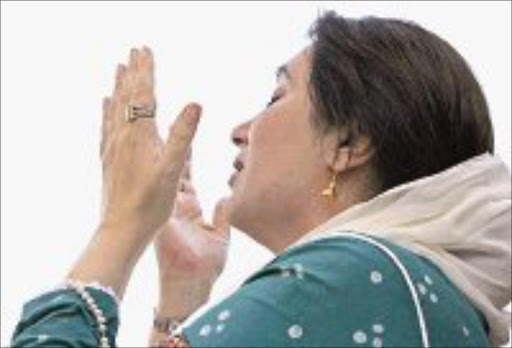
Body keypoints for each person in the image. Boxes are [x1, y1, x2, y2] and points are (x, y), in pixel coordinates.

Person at [10, 11, 511, 348]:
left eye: (276, 97)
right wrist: (181, 303)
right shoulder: (414, 290)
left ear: (348, 144)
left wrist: (120, 227)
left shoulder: (351, 274)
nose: (239, 132)